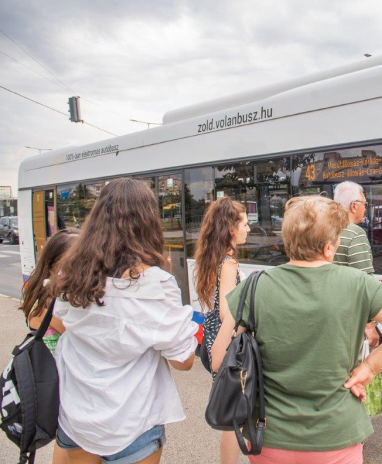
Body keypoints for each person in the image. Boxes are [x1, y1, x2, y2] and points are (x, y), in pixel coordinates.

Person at [211, 195, 382, 463]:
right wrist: (369, 368)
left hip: (269, 436)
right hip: (336, 436)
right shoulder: (357, 284)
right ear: (328, 248)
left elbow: (219, 359)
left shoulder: (254, 286)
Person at [49, 178, 197, 464]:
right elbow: (184, 361)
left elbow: (61, 323)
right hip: (132, 420)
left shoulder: (72, 273)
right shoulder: (156, 284)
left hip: (77, 414)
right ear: (149, 221)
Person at [193, 196, 249, 464]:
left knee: (233, 411)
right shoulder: (228, 263)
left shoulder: (212, 259)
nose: (249, 229)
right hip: (227, 345)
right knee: (234, 416)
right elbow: (229, 312)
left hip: (214, 338)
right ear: (231, 229)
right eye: (245, 224)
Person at [19, 229, 78, 464]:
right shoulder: (55, 300)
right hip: (63, 384)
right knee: (71, 440)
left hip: (49, 379)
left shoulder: (39, 291)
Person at [333, 181, 382, 417]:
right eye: (365, 204)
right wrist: (370, 325)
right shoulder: (354, 234)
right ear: (354, 206)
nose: (366, 208)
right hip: (351, 321)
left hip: (332, 319)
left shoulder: (326, 229)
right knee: (357, 375)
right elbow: (364, 283)